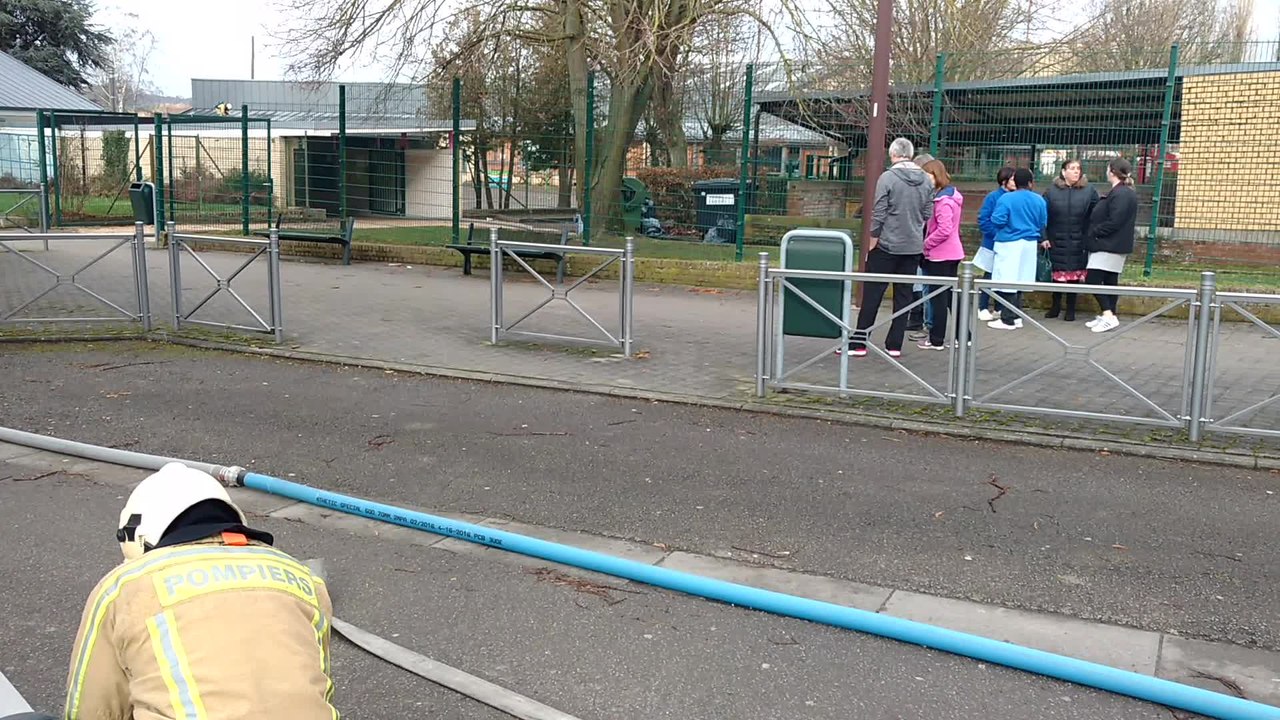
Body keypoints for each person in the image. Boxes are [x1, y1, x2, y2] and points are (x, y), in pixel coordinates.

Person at [63, 462, 338, 720]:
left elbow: (92, 708)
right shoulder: (302, 578)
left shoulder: (125, 586)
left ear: (139, 534)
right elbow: (316, 687)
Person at [847, 138, 934, 357]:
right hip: (913, 246)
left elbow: (879, 212)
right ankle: (894, 345)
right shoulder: (926, 180)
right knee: (904, 296)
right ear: (912, 155)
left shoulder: (887, 178)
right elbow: (927, 213)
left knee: (873, 294)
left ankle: (859, 341)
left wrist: (873, 240)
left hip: (886, 244)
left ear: (893, 154)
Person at [988, 168, 1047, 330]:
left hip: (1009, 242)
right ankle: (1016, 316)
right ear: (1030, 183)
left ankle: (1007, 319)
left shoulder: (1007, 199)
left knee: (1007, 280)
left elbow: (998, 220)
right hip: (1029, 243)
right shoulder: (1039, 200)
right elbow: (1042, 222)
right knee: (1021, 279)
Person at [1085, 158, 1138, 333]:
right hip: (1113, 244)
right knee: (1109, 280)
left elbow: (1115, 221)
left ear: (1112, 171)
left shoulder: (1121, 193)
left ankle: (1108, 315)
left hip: (1109, 244)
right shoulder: (1122, 191)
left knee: (1092, 279)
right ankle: (1109, 314)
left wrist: (1095, 231)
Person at [1041, 159, 1099, 321]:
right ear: (1063, 171)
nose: (1076, 172)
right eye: (1072, 168)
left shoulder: (1089, 191)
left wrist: (1090, 234)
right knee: (1057, 275)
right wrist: (1043, 237)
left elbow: (1097, 213)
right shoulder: (1051, 191)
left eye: (1078, 169)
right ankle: (1055, 305)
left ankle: (1071, 309)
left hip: (1078, 240)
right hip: (1056, 239)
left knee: (1074, 275)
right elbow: (1042, 216)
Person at [917, 159, 964, 350]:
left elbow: (944, 229)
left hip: (941, 255)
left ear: (936, 176)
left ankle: (936, 339)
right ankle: (964, 335)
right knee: (951, 296)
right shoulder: (950, 197)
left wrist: (926, 244)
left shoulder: (943, 201)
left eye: (927, 175)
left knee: (939, 298)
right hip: (951, 253)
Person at [975, 167, 1017, 322]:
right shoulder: (993, 197)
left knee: (1004, 276)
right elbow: (984, 220)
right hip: (992, 244)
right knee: (989, 275)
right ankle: (983, 307)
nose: (1015, 182)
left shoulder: (1016, 196)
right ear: (1004, 180)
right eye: (1012, 179)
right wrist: (998, 235)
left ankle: (999, 307)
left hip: (1009, 244)